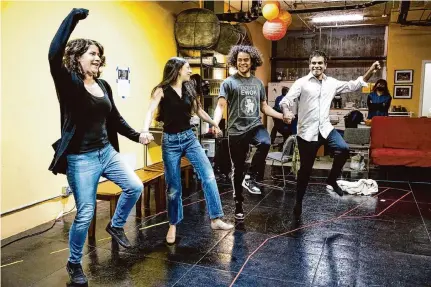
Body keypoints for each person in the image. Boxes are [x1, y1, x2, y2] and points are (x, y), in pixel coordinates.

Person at [48, 8, 148, 285]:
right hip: (81, 159)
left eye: (99, 54)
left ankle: (115, 226)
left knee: (135, 187)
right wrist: (72, 19)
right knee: (86, 213)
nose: (97, 58)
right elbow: (53, 54)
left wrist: (136, 135)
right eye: (92, 53)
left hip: (106, 152)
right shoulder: (68, 83)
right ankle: (74, 262)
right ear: (77, 57)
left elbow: (113, 117)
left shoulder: (102, 83)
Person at [141, 57, 234, 245]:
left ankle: (216, 219)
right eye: (187, 68)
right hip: (171, 142)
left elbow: (199, 111)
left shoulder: (189, 88)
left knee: (208, 176)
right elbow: (150, 111)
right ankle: (173, 224)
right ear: (176, 70)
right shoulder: (161, 90)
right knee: (174, 188)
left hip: (189, 139)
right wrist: (144, 129)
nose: (190, 71)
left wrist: (214, 123)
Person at [281, 50, 380, 217]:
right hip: (307, 132)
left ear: (325, 65)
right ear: (309, 64)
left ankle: (332, 179)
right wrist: (285, 111)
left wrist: (370, 70)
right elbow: (286, 100)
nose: (316, 66)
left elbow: (354, 84)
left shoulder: (332, 83)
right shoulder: (301, 83)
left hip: (325, 129)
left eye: (320, 63)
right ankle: (298, 203)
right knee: (305, 171)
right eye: (314, 63)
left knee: (343, 149)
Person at [213, 45, 285, 220]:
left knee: (266, 142)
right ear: (235, 62)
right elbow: (220, 106)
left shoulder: (258, 83)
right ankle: (239, 204)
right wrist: (215, 123)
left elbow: (264, 107)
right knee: (237, 170)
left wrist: (282, 116)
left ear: (252, 61)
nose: (242, 63)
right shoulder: (228, 82)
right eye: (239, 60)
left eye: (246, 60)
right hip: (236, 131)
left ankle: (251, 176)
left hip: (254, 126)